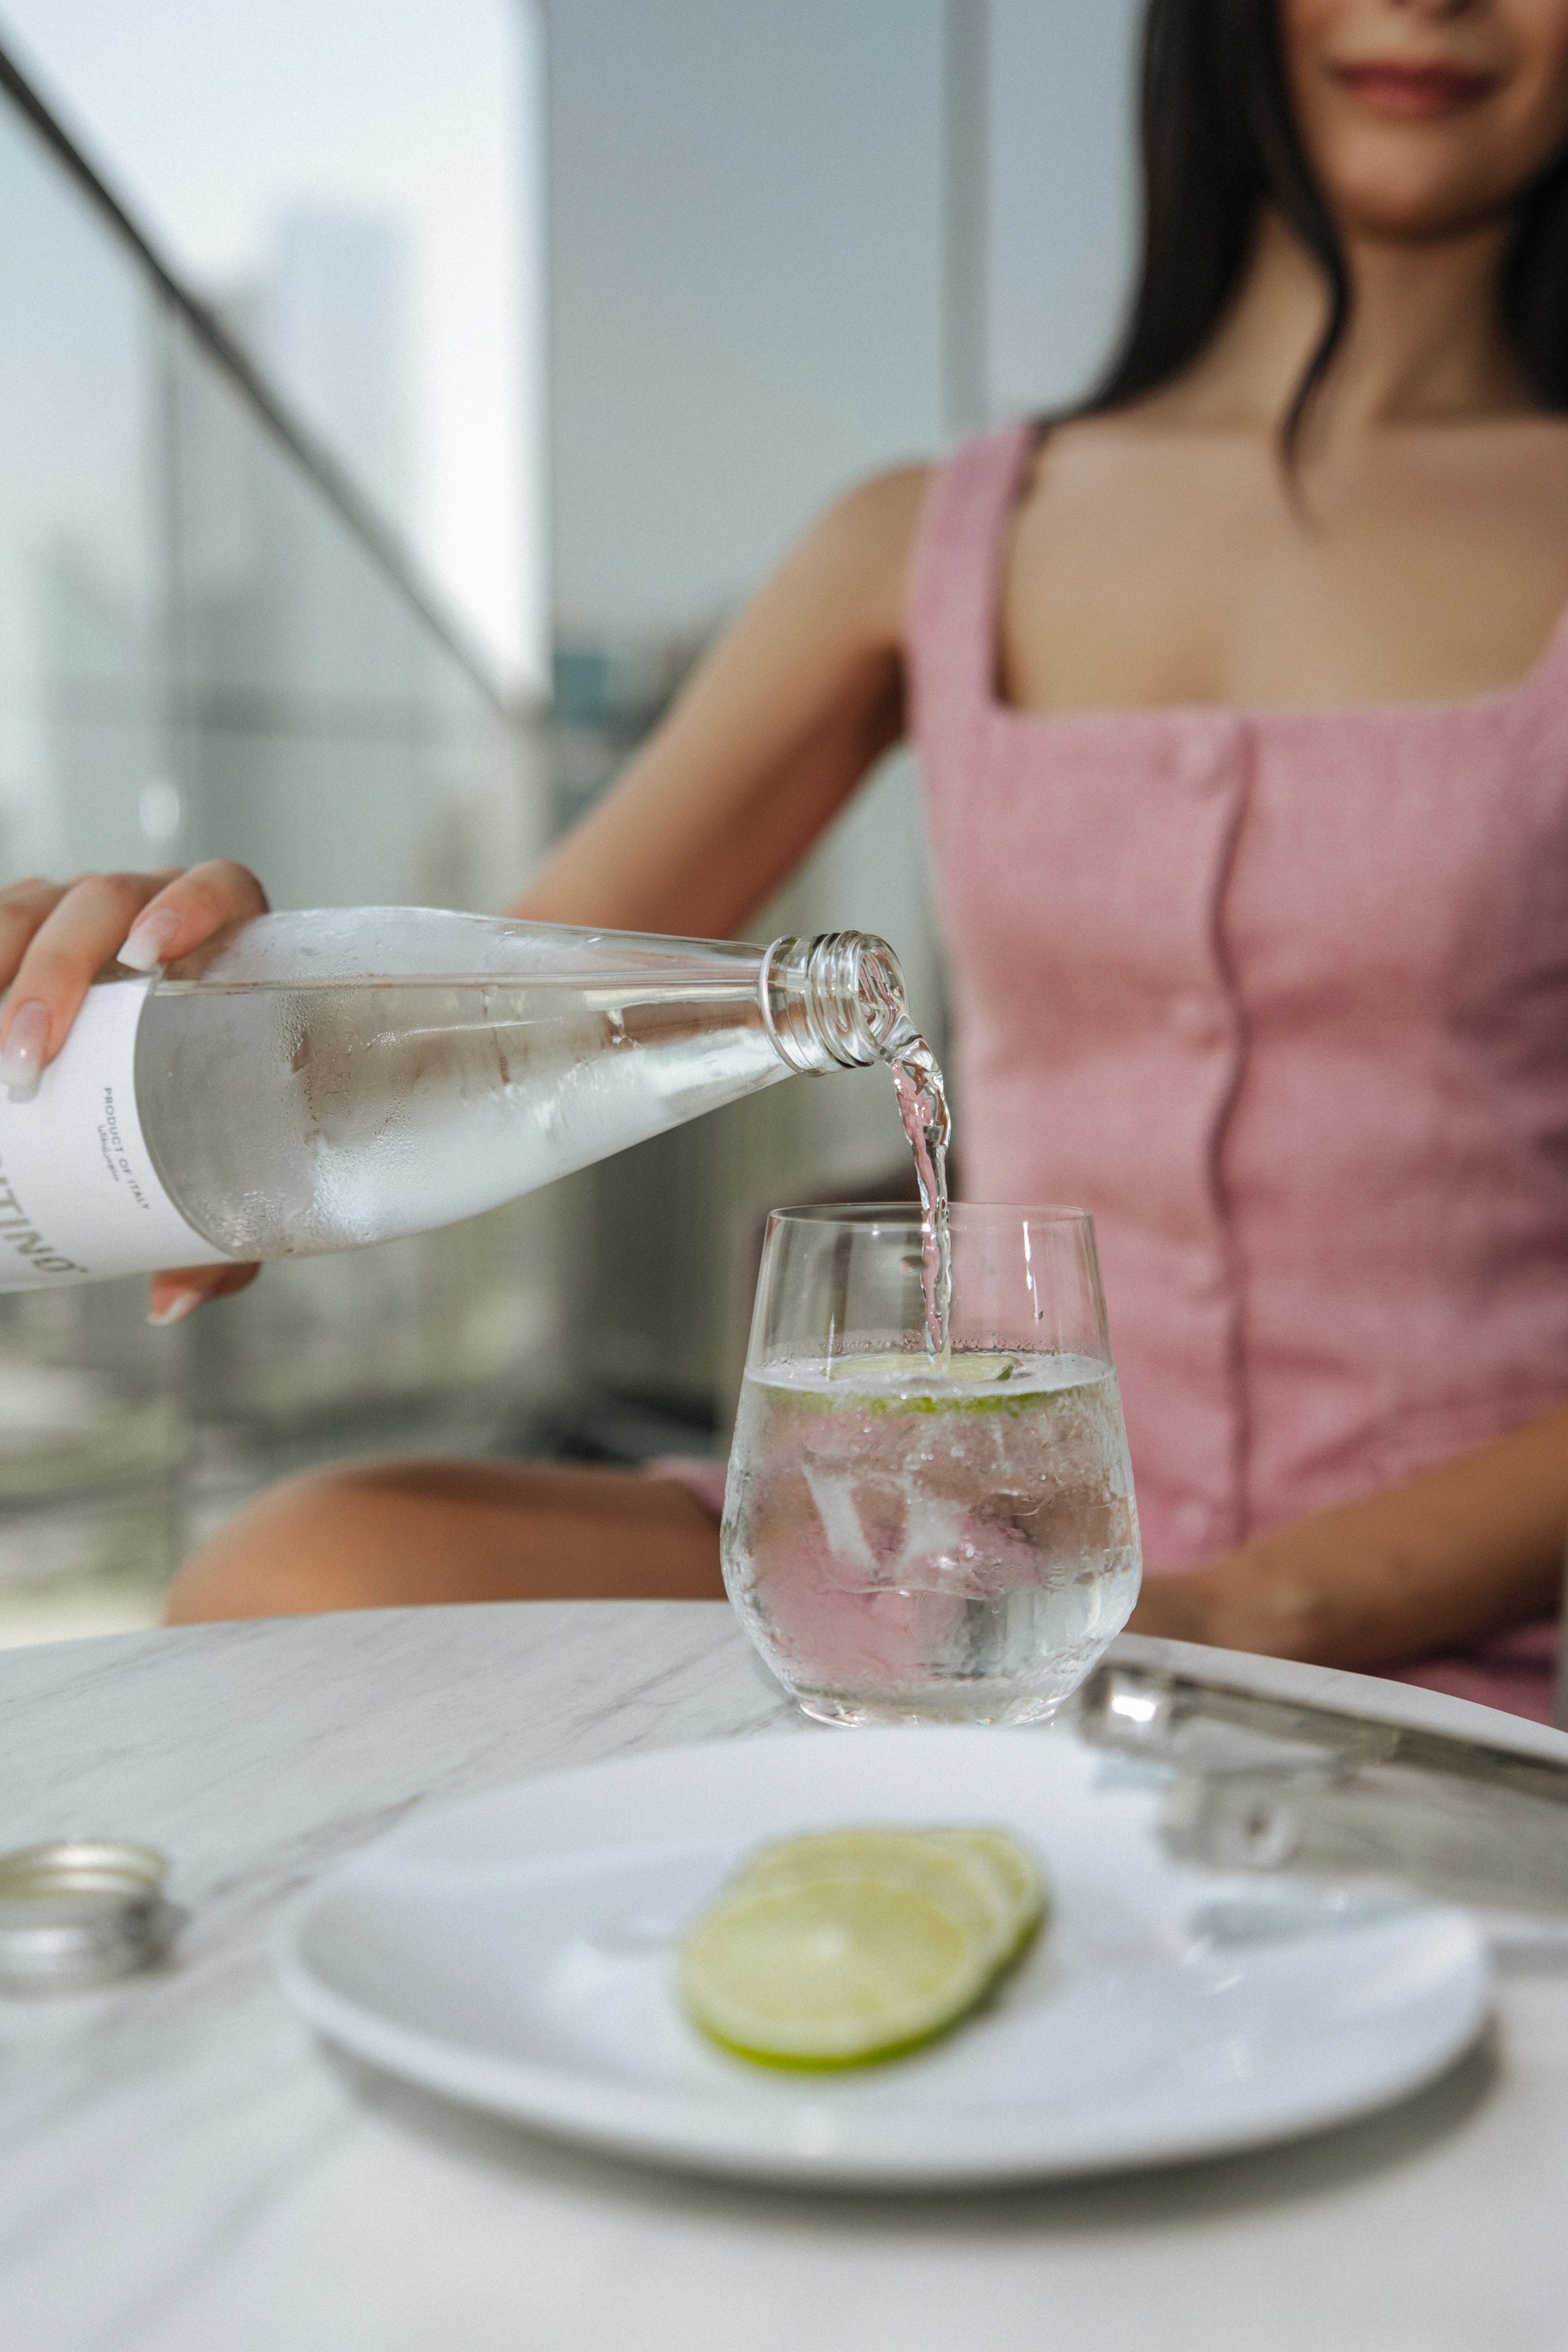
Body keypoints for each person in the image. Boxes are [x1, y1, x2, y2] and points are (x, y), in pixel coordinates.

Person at [5, 0, 1568, 1716]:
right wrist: (177, 1018)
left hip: (1456, 1612)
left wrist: (1255, 1607)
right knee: (305, 1572)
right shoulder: (928, 541)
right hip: (949, 1547)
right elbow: (467, 1032)